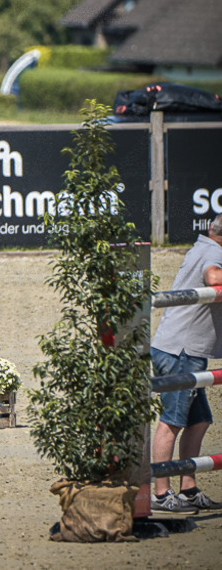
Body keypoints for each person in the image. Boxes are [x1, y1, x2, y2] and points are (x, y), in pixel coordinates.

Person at [150, 213, 222, 514]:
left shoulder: (203, 246)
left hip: (184, 349)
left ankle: (188, 490)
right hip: (180, 351)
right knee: (171, 422)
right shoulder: (214, 253)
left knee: (199, 420)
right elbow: (214, 279)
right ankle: (161, 493)